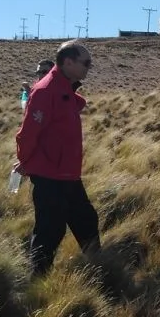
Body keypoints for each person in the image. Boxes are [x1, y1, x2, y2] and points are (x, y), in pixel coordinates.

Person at [14, 42, 100, 275]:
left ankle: (99, 269)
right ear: (68, 62)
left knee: (86, 220)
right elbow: (27, 134)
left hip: (68, 174)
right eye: (86, 63)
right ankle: (38, 282)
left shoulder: (63, 88)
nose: (89, 67)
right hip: (50, 175)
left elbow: (76, 103)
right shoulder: (46, 91)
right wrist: (26, 161)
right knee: (50, 231)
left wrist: (72, 91)